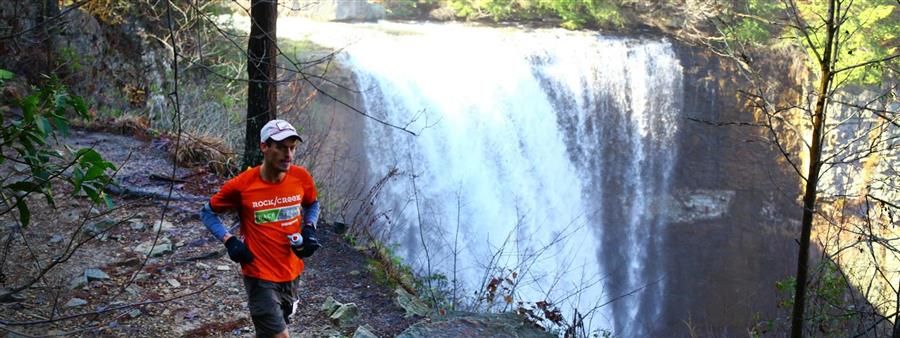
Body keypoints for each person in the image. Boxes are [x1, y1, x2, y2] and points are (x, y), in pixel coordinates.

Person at [200, 119, 321, 338]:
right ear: (264, 147)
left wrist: (309, 228)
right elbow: (207, 212)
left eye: (292, 148)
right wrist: (230, 240)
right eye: (282, 147)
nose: (289, 155)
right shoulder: (242, 185)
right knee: (280, 336)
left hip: (291, 271)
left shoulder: (301, 177)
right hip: (259, 274)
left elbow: (313, 204)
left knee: (269, 333)